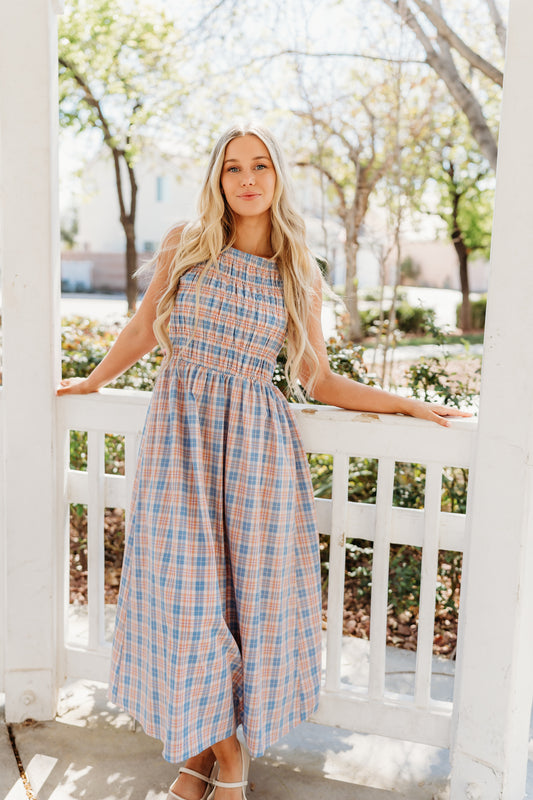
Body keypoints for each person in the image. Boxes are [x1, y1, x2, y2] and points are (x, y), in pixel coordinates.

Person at [57, 123, 470, 800]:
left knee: (244, 608)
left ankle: (206, 759)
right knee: (184, 602)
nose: (246, 179)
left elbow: (317, 378)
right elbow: (139, 329)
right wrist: (91, 381)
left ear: (277, 177)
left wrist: (405, 404)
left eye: (259, 166)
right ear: (217, 180)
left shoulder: (295, 266)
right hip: (177, 440)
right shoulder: (184, 246)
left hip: (254, 450)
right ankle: (223, 752)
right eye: (232, 168)